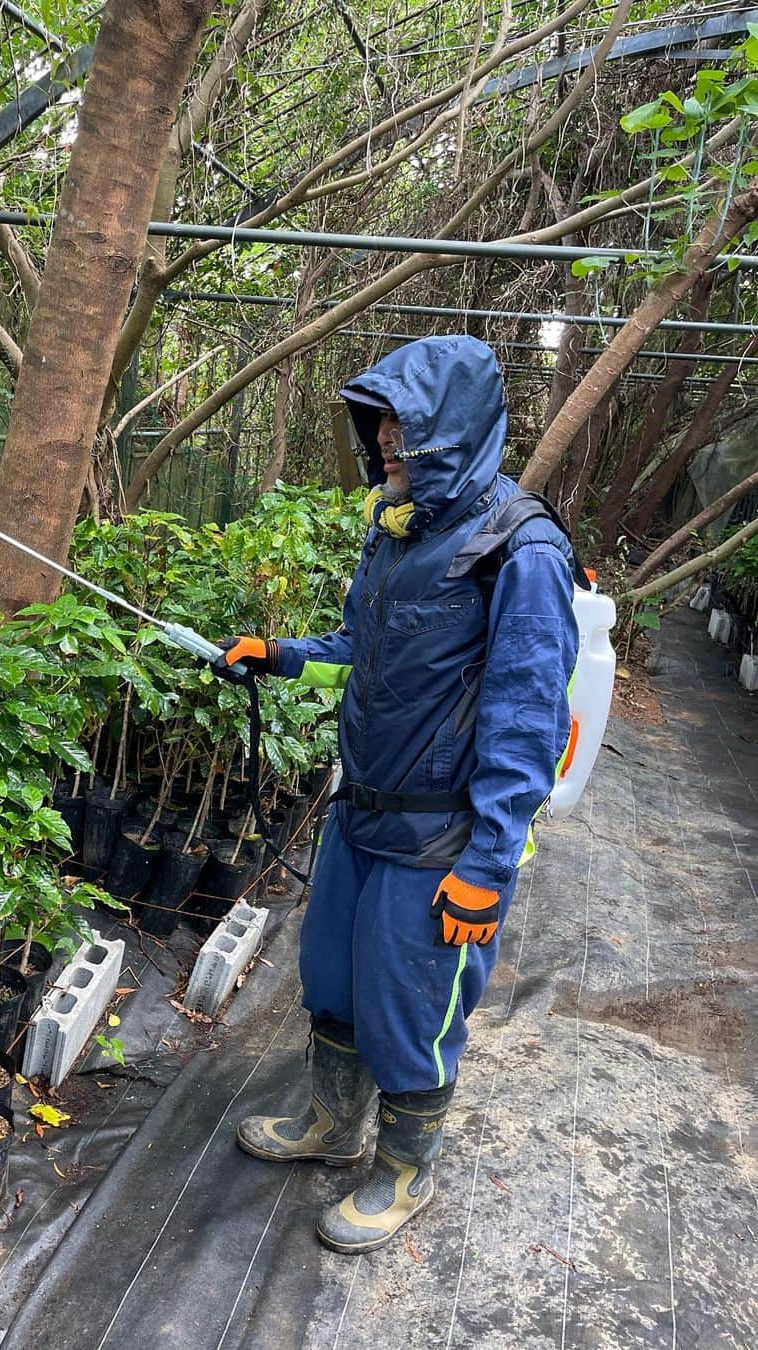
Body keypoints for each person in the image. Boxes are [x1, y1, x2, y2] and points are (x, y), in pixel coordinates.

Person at [215, 335, 580, 1255]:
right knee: (333, 983)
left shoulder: (519, 550)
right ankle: (335, 1126)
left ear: (450, 430)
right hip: (361, 807)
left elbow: (528, 720)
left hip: (441, 838)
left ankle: (405, 1169)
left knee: (410, 1006)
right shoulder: (398, 528)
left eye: (401, 429)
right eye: (378, 427)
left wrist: (489, 866)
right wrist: (287, 655)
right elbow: (360, 644)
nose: (384, 445)